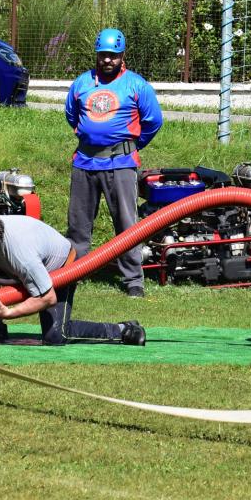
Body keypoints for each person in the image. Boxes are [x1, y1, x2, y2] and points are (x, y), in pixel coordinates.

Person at [64, 28, 163, 298]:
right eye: (103, 55)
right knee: (78, 225)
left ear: (122, 56)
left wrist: (131, 145)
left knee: (126, 224)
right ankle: (73, 274)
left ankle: (133, 280)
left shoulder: (136, 85)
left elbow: (154, 121)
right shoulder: (82, 83)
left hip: (121, 163)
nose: (107, 60)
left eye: (113, 55)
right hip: (85, 162)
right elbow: (71, 115)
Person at [0, 210, 146, 347]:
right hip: (25, 269)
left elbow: (47, 298)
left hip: (61, 269)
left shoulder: (21, 252)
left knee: (56, 335)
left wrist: (9, 313)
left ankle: (124, 330)